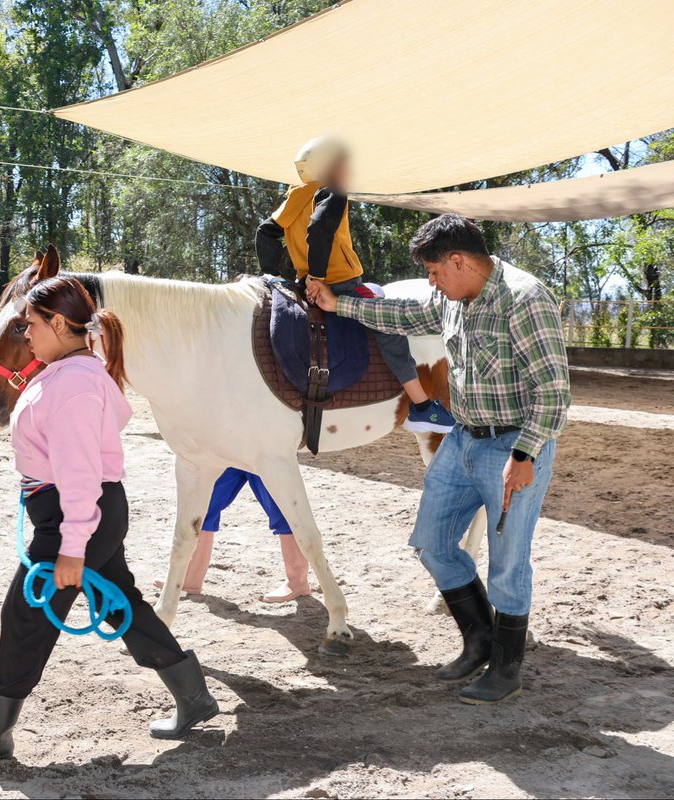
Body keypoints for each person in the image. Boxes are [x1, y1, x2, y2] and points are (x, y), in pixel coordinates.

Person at [0, 276, 219, 765]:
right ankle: (194, 697)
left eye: (31, 326)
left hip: (76, 513)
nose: (26, 337)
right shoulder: (66, 372)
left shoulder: (75, 385)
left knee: (26, 615)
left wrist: (70, 546)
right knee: (120, 603)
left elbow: (82, 476)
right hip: (83, 512)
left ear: (59, 323)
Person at [307, 214, 570, 705]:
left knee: (508, 564)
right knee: (432, 542)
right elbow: (403, 316)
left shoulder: (525, 300)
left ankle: (507, 671)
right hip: (463, 439)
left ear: (459, 260)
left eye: (434, 272)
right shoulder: (451, 299)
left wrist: (527, 453)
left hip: (514, 446)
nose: (432, 282)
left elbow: (554, 391)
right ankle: (480, 641)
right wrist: (338, 304)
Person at [255, 135, 455, 434]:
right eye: (344, 163)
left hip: (300, 284)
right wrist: (319, 278)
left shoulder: (295, 196)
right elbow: (320, 229)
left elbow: (265, 232)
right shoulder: (333, 193)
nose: (349, 169)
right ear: (330, 166)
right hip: (341, 285)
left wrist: (271, 276)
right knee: (389, 327)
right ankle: (422, 407)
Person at [154, 468, 311, 603]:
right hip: (231, 447)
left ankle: (297, 581)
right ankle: (191, 578)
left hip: (264, 445)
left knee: (282, 507)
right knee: (205, 504)